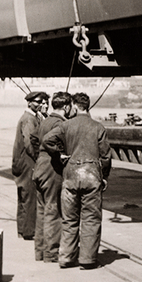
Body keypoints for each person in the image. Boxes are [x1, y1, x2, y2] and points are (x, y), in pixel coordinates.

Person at [42, 93, 111, 270]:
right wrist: (104, 176)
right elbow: (105, 156)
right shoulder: (98, 127)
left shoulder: (66, 125)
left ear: (74, 106)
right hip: (91, 176)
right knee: (91, 219)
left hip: (71, 175)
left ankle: (65, 258)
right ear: (88, 106)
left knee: (69, 219)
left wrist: (59, 153)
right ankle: (87, 259)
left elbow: (46, 139)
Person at [33, 92, 72, 263]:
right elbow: (49, 141)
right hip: (51, 170)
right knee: (53, 211)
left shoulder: (45, 120)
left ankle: (40, 251)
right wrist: (58, 155)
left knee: (42, 211)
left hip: (40, 168)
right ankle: (52, 253)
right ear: (66, 107)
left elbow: (34, 138)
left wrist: (41, 156)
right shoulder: (60, 123)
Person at [12, 91, 46, 241]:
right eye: (38, 102)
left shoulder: (28, 117)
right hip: (27, 163)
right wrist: (39, 159)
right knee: (30, 196)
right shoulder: (29, 119)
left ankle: (22, 229)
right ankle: (28, 231)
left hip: (21, 163)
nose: (40, 105)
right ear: (30, 103)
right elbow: (29, 143)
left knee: (23, 197)